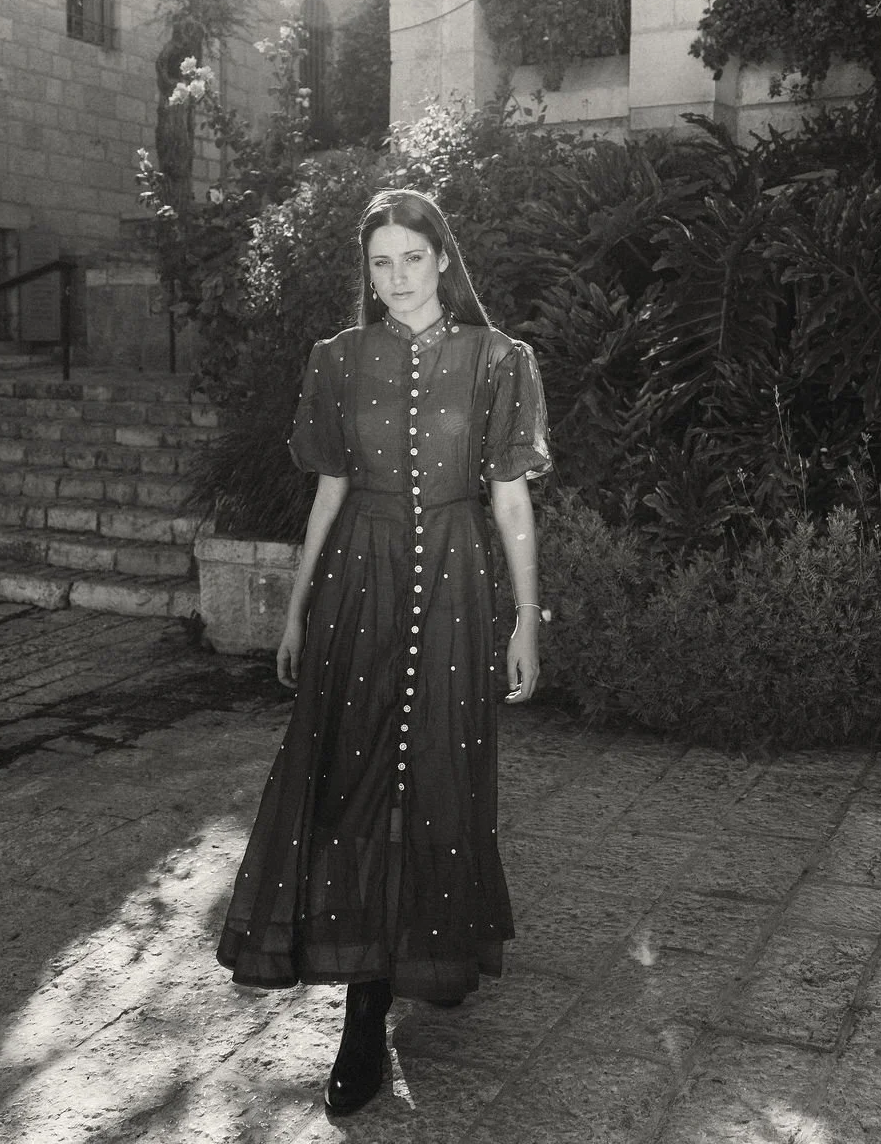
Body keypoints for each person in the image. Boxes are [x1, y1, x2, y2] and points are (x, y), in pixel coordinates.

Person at [216, 188, 551, 1113]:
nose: (397, 278)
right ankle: (363, 1019)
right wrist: (293, 610)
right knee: (354, 777)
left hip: (454, 583)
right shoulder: (337, 361)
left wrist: (527, 618)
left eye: (412, 257)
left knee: (439, 773)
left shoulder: (497, 361)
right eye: (381, 263)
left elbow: (512, 502)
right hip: (356, 588)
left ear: (444, 259)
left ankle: (428, 949)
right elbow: (327, 490)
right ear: (366, 273)